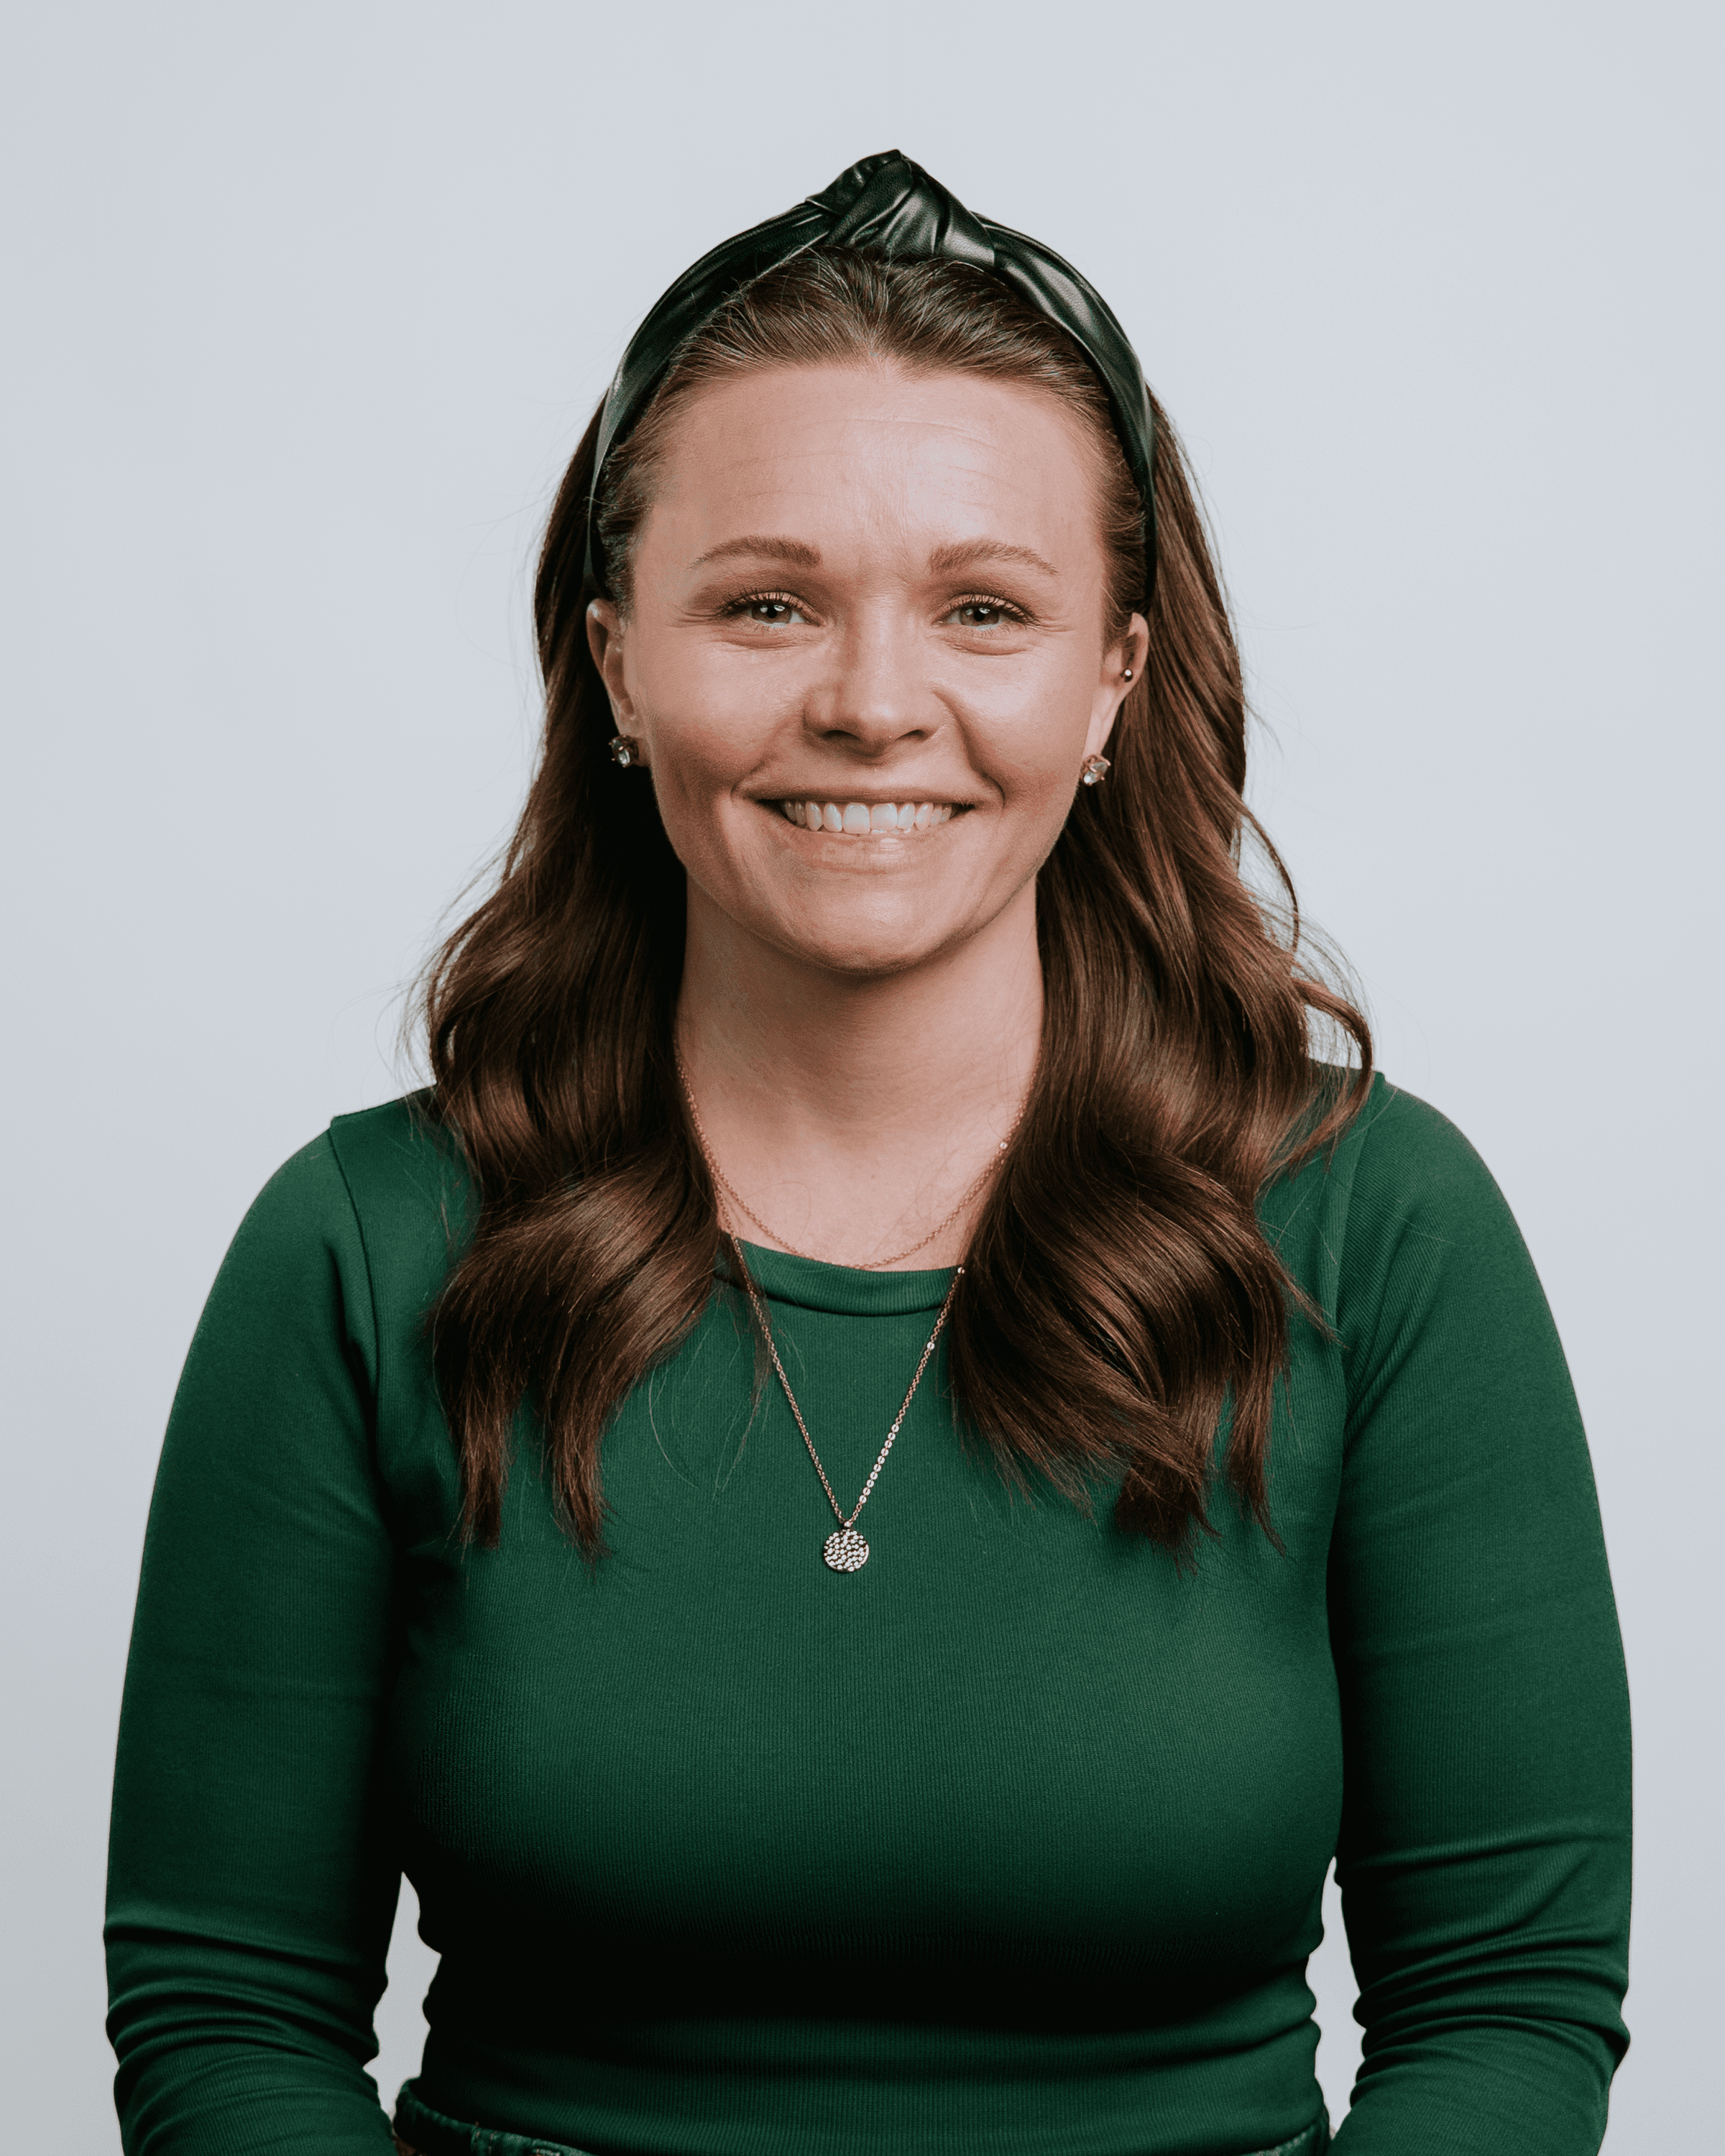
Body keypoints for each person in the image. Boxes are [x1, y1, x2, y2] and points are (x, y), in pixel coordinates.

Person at [105, 152, 1631, 2156]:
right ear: (619, 663)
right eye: (766, 605)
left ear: (1112, 683)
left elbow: (1507, 2014)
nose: (873, 704)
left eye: (984, 610)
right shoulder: (363, 1247)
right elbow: (227, 2022)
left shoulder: (1380, 1231)